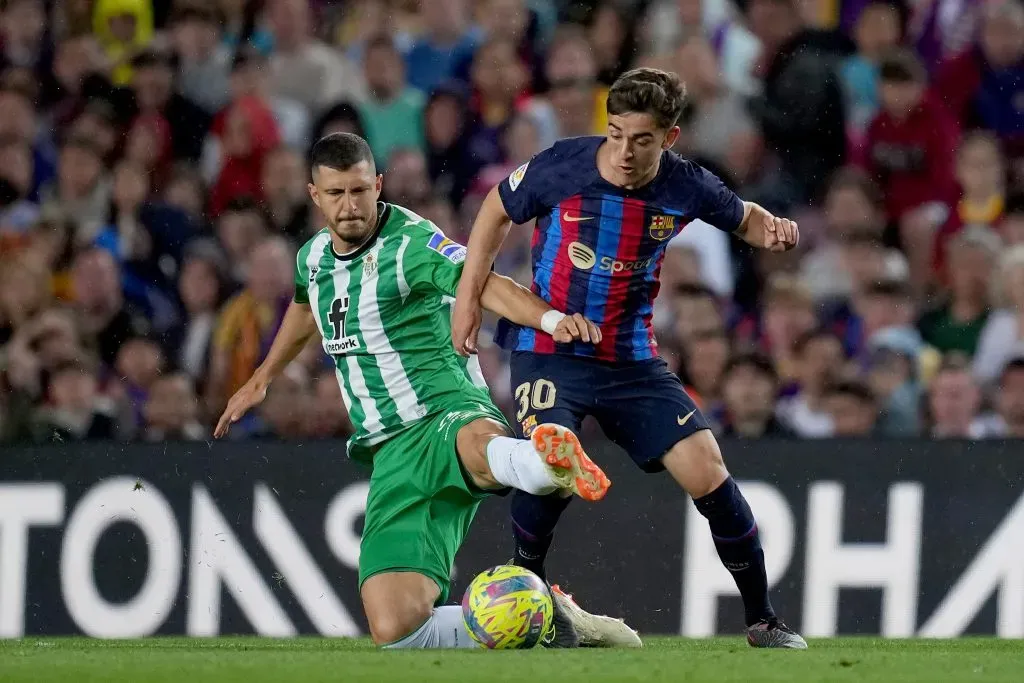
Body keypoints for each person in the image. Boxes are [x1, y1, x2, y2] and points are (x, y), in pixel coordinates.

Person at [214, 133, 636, 650]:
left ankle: (544, 462)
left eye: (360, 191)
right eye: (337, 194)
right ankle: (546, 617)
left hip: (445, 408)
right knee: (396, 631)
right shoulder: (312, 259)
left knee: (473, 448)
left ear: (379, 185)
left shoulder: (411, 243)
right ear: (314, 195)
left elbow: (479, 281)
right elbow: (306, 308)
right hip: (389, 450)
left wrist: (549, 319)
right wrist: (262, 376)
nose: (350, 206)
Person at [452, 67, 807, 649]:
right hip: (551, 349)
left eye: (640, 139)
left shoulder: (687, 184)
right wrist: (469, 300)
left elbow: (745, 217)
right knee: (552, 463)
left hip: (631, 359)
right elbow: (495, 209)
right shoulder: (562, 164)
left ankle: (763, 621)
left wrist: (771, 230)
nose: (622, 151)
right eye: (615, 133)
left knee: (707, 469)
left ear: (667, 139)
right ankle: (530, 587)